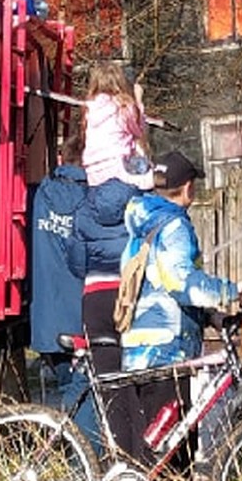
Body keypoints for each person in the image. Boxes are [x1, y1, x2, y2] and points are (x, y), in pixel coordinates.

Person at [119, 149, 242, 481]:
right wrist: (232, 292)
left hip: (144, 346)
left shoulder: (145, 217)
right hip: (164, 349)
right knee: (167, 448)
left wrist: (213, 318)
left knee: (171, 443)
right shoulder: (174, 224)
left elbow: (161, 283)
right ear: (189, 188)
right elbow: (180, 282)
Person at [68, 175, 141, 457]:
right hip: (128, 296)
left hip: (95, 297)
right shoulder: (137, 204)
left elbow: (75, 263)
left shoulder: (85, 209)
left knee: (108, 384)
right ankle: (135, 460)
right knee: (135, 379)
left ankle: (115, 458)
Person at [28, 136, 89, 422]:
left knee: (69, 387)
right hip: (80, 317)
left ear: (61, 159)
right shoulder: (93, 201)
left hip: (45, 319)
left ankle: (71, 449)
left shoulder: (41, 195)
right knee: (82, 396)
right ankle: (76, 456)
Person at [81, 60, 152, 189]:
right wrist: (139, 101)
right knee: (154, 176)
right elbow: (139, 130)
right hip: (117, 167)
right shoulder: (122, 106)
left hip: (92, 171)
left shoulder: (90, 108)